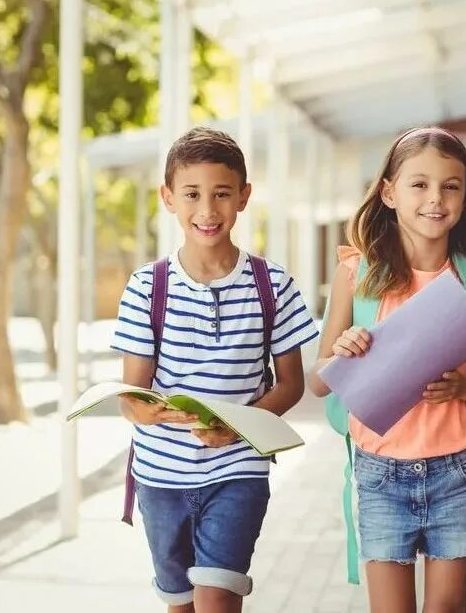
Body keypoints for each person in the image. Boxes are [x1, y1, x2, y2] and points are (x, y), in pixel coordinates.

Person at [111, 126, 319, 613]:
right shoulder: (147, 287)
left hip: (238, 470)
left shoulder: (274, 285)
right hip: (160, 479)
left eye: (222, 194)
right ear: (168, 198)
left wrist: (236, 426)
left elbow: (291, 384)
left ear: (244, 197)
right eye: (192, 194)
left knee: (218, 601)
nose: (207, 210)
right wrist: (141, 412)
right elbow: (131, 395)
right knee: (180, 604)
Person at [308, 127, 466, 613]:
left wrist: (464, 386)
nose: (435, 199)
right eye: (418, 185)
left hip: (455, 470)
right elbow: (318, 382)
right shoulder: (357, 273)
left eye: (451, 186)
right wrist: (343, 350)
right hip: (379, 473)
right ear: (389, 192)